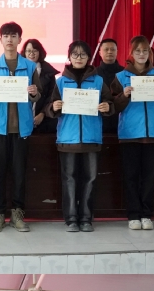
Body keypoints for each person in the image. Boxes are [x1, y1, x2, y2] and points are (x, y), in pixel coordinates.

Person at [45, 40, 112, 233]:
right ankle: (71, 218)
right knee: (69, 179)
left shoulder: (98, 81)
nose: (79, 58)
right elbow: (50, 108)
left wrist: (107, 107)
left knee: (90, 179)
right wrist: (54, 107)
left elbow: (110, 103)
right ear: (69, 57)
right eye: (75, 54)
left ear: (89, 57)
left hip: (92, 138)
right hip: (68, 139)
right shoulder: (61, 81)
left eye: (83, 54)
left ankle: (86, 218)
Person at [0, 22, 41, 233]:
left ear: (19, 39)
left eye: (13, 36)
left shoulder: (30, 67)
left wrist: (33, 92)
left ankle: (17, 214)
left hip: (21, 127)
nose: (9, 39)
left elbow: (37, 94)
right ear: (0, 39)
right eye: (6, 36)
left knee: (19, 173)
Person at [111, 36, 154, 231]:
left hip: (153, 133)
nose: (141, 54)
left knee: (149, 177)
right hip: (130, 133)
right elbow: (113, 106)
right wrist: (124, 95)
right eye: (137, 51)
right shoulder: (121, 77)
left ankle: (146, 214)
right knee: (131, 176)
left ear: (149, 53)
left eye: (144, 51)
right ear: (131, 53)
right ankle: (133, 215)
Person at [22, 38, 58, 135]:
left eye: (35, 50)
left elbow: (51, 96)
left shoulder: (48, 72)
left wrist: (42, 114)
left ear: (40, 52)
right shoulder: (18, 70)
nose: (31, 54)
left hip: (44, 121)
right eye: (28, 51)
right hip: (21, 121)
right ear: (24, 53)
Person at [96, 39, 123, 135]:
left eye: (112, 49)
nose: (109, 52)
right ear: (100, 52)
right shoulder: (93, 74)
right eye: (106, 49)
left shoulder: (125, 73)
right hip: (98, 122)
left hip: (121, 123)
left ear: (117, 52)